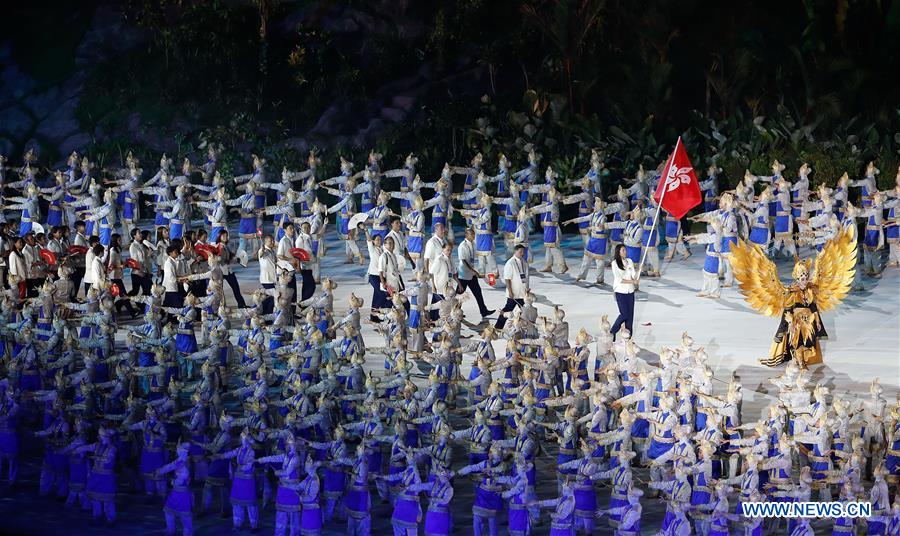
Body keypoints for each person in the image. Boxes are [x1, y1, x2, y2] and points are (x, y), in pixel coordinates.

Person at [457, 228, 494, 318]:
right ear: (466, 235)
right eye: (471, 234)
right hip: (463, 275)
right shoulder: (462, 246)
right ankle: (455, 313)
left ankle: (483, 311)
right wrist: (473, 271)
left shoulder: (473, 244)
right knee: (459, 296)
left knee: (478, 292)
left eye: (474, 234)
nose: (473, 236)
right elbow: (463, 261)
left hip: (471, 274)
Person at [495, 244, 529, 330]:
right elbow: (507, 279)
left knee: (523, 311)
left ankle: (521, 327)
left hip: (523, 292)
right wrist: (510, 291)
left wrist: (527, 289)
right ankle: (498, 327)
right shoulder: (510, 263)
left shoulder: (523, 262)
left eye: (523, 252)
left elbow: (525, 277)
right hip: (514, 292)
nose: (522, 254)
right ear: (515, 251)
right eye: (520, 252)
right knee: (507, 310)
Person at [610, 244, 638, 340]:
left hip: (630, 291)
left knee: (630, 317)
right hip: (620, 292)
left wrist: (636, 275)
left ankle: (628, 337)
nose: (625, 252)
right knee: (624, 314)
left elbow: (633, 275)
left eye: (625, 250)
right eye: (623, 250)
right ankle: (613, 331)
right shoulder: (614, 263)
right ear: (618, 252)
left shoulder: (630, 261)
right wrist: (633, 281)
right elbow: (619, 279)